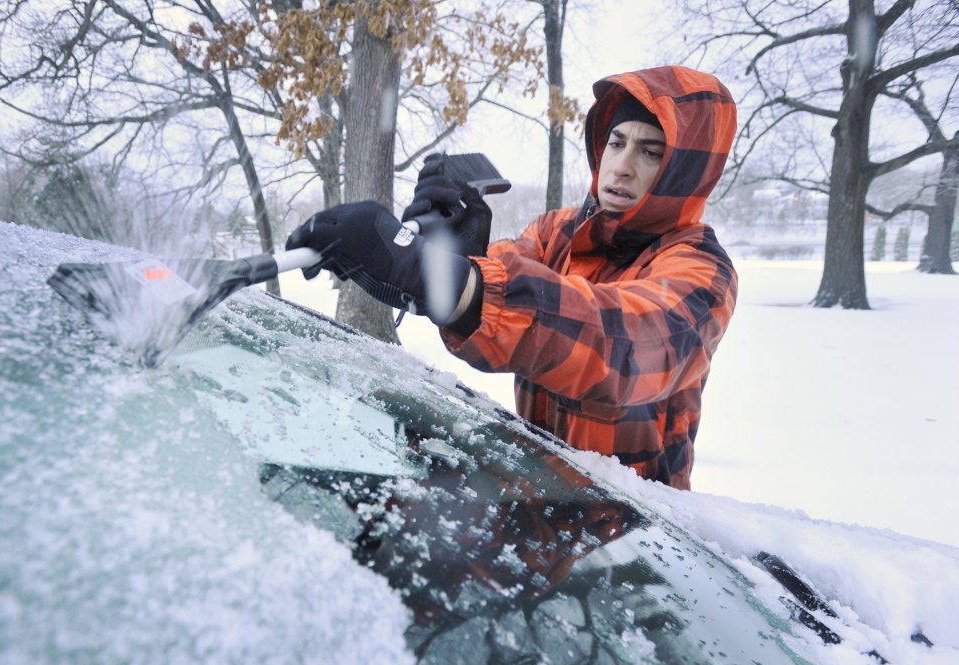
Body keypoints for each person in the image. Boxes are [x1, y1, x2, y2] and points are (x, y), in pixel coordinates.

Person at [286, 66, 738, 490]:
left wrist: (445, 278)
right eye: (616, 143)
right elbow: (496, 286)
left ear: (686, 172)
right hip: (543, 497)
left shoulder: (701, 270)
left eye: (650, 152)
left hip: (641, 538)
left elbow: (621, 347)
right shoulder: (555, 233)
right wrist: (435, 258)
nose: (621, 165)